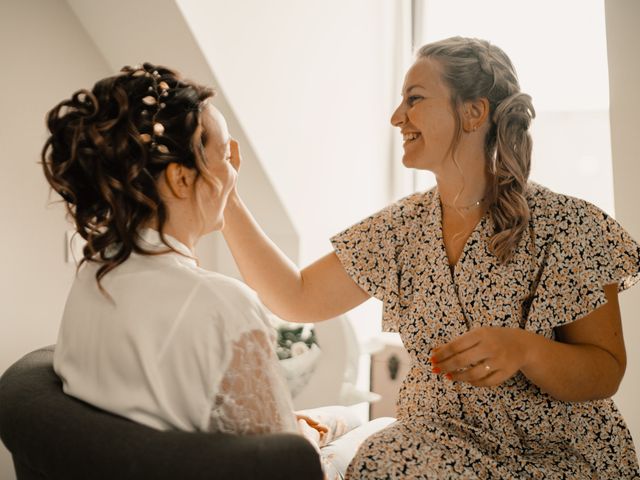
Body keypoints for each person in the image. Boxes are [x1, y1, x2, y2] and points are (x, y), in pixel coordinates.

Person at [220, 37, 640, 478]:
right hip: (437, 450)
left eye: (414, 100)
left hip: (555, 458)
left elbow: (605, 370)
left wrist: (525, 349)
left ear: (473, 112)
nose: (397, 117)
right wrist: (225, 193)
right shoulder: (399, 228)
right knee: (381, 459)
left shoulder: (568, 223)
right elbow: (295, 297)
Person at [42, 63, 360, 469]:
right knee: (372, 425)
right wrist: (311, 434)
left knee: (347, 418)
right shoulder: (220, 304)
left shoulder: (92, 277)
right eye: (225, 155)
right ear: (179, 179)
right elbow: (282, 464)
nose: (233, 172)